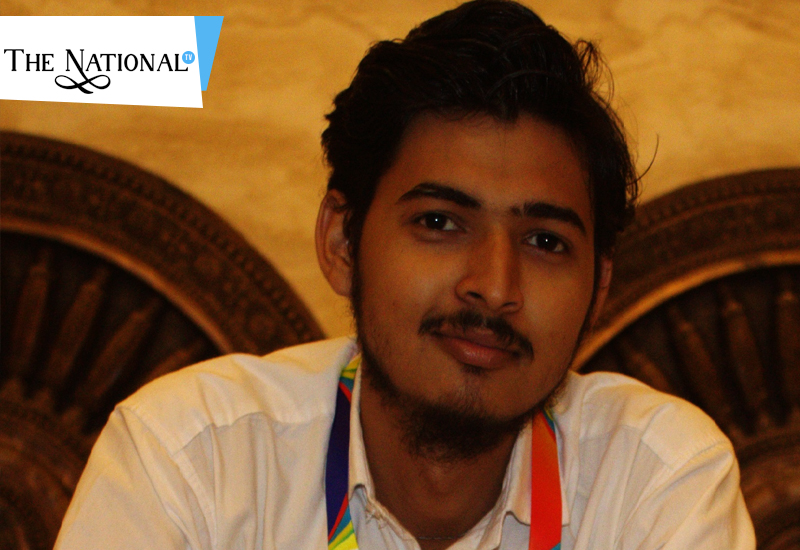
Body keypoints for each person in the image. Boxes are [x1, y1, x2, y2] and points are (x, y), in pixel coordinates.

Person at [54, 1, 756, 549]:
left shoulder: (656, 480)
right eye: (440, 223)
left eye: (545, 241)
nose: (494, 286)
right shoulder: (193, 460)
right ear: (343, 241)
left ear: (598, 289)